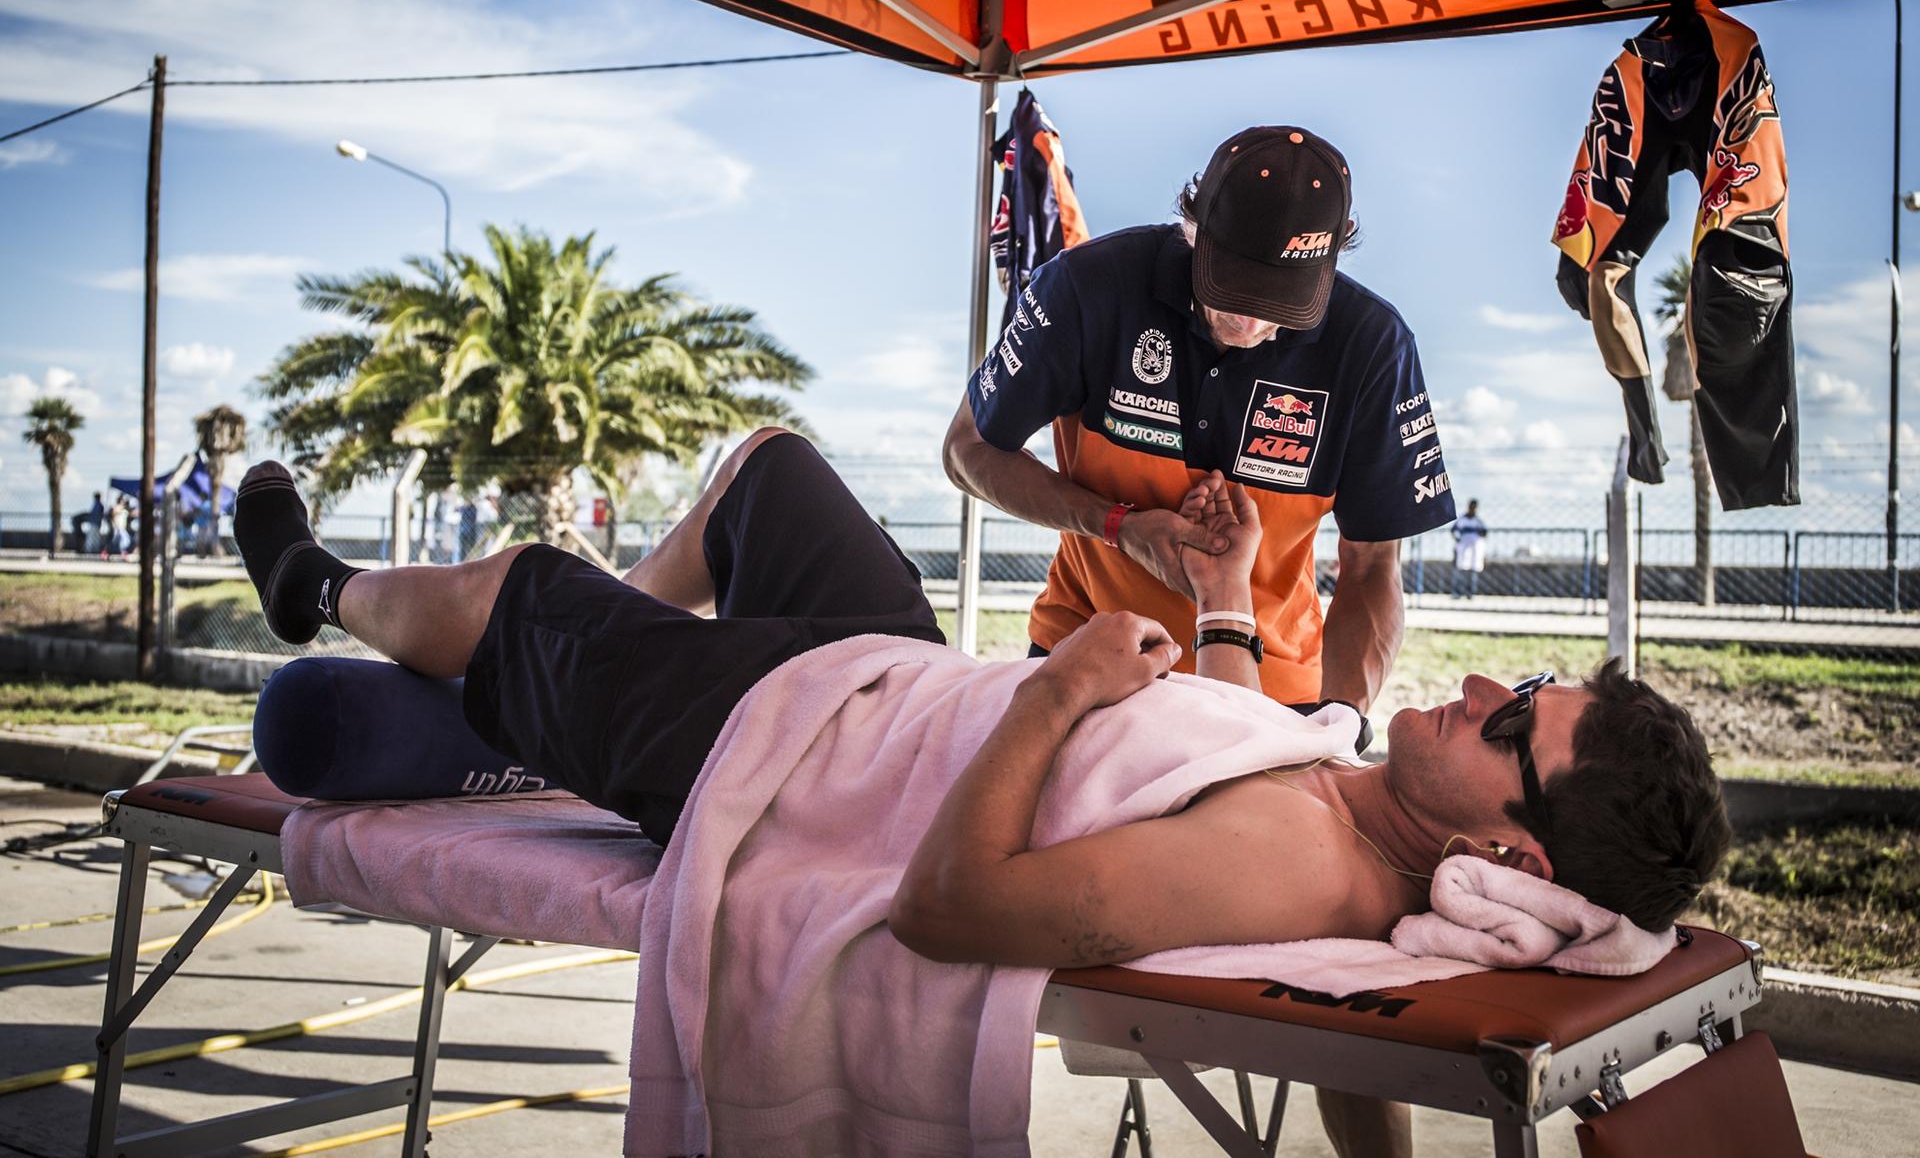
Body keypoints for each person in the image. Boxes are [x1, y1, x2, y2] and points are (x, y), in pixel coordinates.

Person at [234, 430, 1727, 954]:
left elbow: (949, 911)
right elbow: (1226, 735)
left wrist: (1058, 692)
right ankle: (556, 691)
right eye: (1523, 680)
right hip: (883, 678)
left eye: (1517, 723)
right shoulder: (1350, 801)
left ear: (1502, 855)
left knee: (514, 585)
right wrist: (1223, 603)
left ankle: (318, 591)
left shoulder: (1300, 861)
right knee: (768, 468)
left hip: (793, 747)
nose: (1479, 684)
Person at [945, 126, 1453, 731]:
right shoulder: (1087, 287)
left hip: (1276, 686)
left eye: (1282, 301)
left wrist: (1342, 722)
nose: (1250, 317)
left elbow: (1372, 569)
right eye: (1234, 284)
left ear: (1332, 261)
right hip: (1089, 655)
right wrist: (1118, 526)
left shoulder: (1372, 346)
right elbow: (966, 449)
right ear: (1193, 229)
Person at [1452, 498, 1489, 599]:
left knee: (1472, 571)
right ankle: (1457, 592)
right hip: (1463, 548)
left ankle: (1470, 593)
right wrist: (1458, 540)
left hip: (1474, 549)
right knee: (1460, 571)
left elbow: (1485, 533)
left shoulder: (1478, 521)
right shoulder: (1462, 519)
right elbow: (1453, 530)